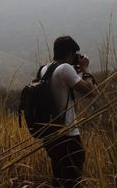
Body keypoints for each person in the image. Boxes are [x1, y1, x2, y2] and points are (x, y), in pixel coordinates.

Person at [39, 35, 98, 188]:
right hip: (68, 137)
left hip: (52, 137)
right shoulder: (65, 69)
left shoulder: (45, 69)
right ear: (71, 53)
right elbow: (90, 92)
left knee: (59, 180)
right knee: (73, 182)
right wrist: (85, 69)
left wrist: (76, 71)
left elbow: (66, 92)